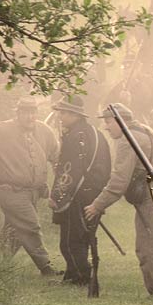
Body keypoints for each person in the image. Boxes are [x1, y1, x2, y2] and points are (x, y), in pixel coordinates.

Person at [84, 103, 153, 295]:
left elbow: (119, 181)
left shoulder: (128, 140)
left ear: (121, 121)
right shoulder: (145, 130)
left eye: (109, 122)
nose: (106, 127)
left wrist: (97, 204)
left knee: (148, 246)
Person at [49, 95, 111, 286]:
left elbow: (69, 171)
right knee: (83, 236)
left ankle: (80, 276)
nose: (60, 117)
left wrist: (57, 196)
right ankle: (73, 273)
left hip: (76, 194)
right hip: (94, 193)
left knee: (70, 240)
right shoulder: (95, 133)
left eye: (63, 113)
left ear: (74, 114)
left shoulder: (75, 137)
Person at [0, 96, 60, 275]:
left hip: (34, 192)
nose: (29, 117)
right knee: (31, 225)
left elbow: (57, 158)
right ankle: (45, 266)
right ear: (17, 113)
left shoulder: (45, 131)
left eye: (32, 112)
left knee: (14, 231)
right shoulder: (2, 130)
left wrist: (61, 183)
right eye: (25, 112)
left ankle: (4, 265)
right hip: (9, 190)